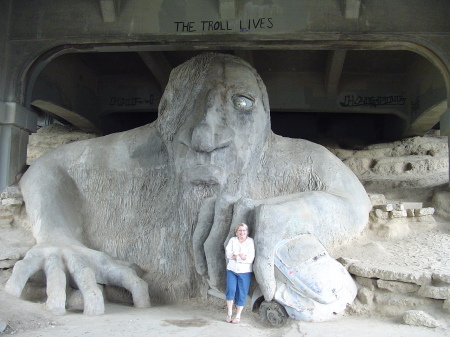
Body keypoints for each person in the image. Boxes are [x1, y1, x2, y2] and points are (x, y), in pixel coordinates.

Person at [6, 53, 371, 320]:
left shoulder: (292, 158)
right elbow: (50, 167)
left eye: (242, 105)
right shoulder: (144, 149)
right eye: (184, 104)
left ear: (265, 121)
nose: (204, 136)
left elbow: (354, 200)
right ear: (163, 117)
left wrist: (302, 211)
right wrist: (56, 235)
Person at [225, 223, 255, 323]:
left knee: (242, 292)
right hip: (232, 270)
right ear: (236, 232)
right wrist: (241, 257)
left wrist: (236, 257)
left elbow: (250, 258)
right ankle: (229, 313)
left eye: (244, 230)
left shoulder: (250, 242)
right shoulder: (232, 240)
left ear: (247, 232)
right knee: (230, 289)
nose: (242, 232)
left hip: (245, 271)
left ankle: (238, 315)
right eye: (240, 230)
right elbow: (228, 254)